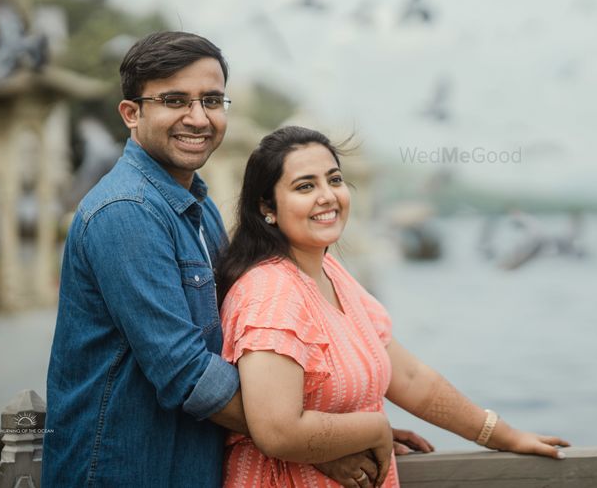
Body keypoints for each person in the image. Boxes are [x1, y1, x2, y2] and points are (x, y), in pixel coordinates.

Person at [44, 32, 404, 487]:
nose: (198, 118)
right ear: (132, 113)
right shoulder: (126, 212)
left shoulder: (198, 206)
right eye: (175, 100)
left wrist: (331, 431)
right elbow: (186, 371)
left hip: (186, 464)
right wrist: (322, 445)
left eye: (212, 100)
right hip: (125, 468)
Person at [216, 125, 570, 487]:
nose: (327, 196)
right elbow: (277, 430)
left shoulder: (330, 272)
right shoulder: (270, 294)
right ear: (266, 207)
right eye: (305, 186)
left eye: (334, 180)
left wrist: (504, 436)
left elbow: (412, 378)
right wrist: (372, 428)